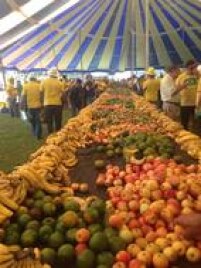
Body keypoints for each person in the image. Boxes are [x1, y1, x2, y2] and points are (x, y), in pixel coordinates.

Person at [174, 60, 199, 130]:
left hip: (197, 104)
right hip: (185, 104)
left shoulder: (198, 76)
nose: (196, 69)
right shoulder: (181, 77)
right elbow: (175, 91)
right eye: (194, 67)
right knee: (184, 124)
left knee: (197, 123)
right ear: (189, 67)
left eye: (196, 67)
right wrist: (182, 87)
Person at [40, 68, 64, 134]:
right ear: (56, 74)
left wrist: (42, 103)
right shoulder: (60, 82)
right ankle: (58, 134)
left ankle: (50, 133)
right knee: (58, 120)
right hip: (58, 104)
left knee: (49, 121)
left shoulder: (44, 82)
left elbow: (41, 92)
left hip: (47, 103)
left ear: (49, 74)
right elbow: (62, 94)